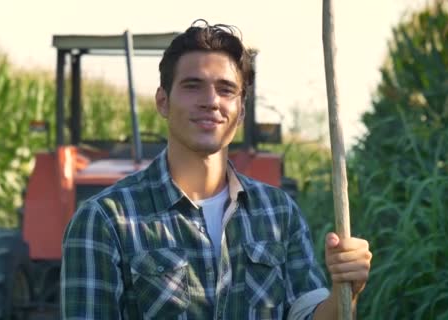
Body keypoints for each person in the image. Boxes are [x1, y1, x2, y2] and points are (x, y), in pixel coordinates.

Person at [61, 19, 372, 320]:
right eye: (193, 86)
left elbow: (308, 314)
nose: (210, 101)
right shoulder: (104, 220)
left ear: (241, 111)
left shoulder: (278, 214)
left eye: (225, 89)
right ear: (162, 101)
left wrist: (346, 290)